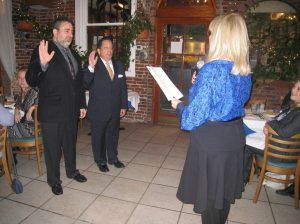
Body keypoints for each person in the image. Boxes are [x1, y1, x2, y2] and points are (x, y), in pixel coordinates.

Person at [171, 13, 252, 224]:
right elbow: (220, 100)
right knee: (222, 197)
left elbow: (191, 118)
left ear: (221, 37)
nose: (210, 36)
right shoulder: (244, 70)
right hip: (234, 138)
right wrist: (197, 85)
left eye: (212, 32)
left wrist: (178, 105)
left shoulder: (212, 69)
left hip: (212, 142)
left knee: (209, 202)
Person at [26, 17, 87, 195]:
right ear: (55, 32)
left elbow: (79, 83)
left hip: (71, 110)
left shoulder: (73, 54)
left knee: (70, 144)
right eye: (67, 30)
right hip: (52, 111)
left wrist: (82, 104)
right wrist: (42, 64)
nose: (71, 34)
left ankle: (72, 171)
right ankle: (54, 180)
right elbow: (31, 79)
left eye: (72, 31)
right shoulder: (44, 49)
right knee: (52, 148)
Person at [244, 80, 300, 197]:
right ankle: (244, 175)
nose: (293, 90)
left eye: (298, 89)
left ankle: (241, 180)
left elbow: (285, 131)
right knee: (248, 135)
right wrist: (270, 124)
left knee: (245, 144)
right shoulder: (293, 107)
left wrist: (270, 124)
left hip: (281, 153)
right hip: (278, 145)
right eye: (294, 86)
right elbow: (278, 120)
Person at [83, 36, 128, 173]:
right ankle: (100, 160)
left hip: (115, 108)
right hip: (99, 109)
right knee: (99, 136)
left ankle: (113, 158)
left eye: (111, 47)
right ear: (99, 50)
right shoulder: (92, 65)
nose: (109, 50)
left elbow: (122, 87)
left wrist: (123, 105)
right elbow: (85, 83)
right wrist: (90, 67)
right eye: (105, 48)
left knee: (113, 134)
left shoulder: (119, 65)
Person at [8, 68, 38, 139]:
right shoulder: (20, 93)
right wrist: (16, 110)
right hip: (22, 123)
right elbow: (18, 104)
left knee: (7, 125)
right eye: (19, 78)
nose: (22, 81)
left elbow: (45, 103)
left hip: (33, 128)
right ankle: (12, 148)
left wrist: (32, 107)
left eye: (25, 78)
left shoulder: (35, 91)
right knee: (6, 124)